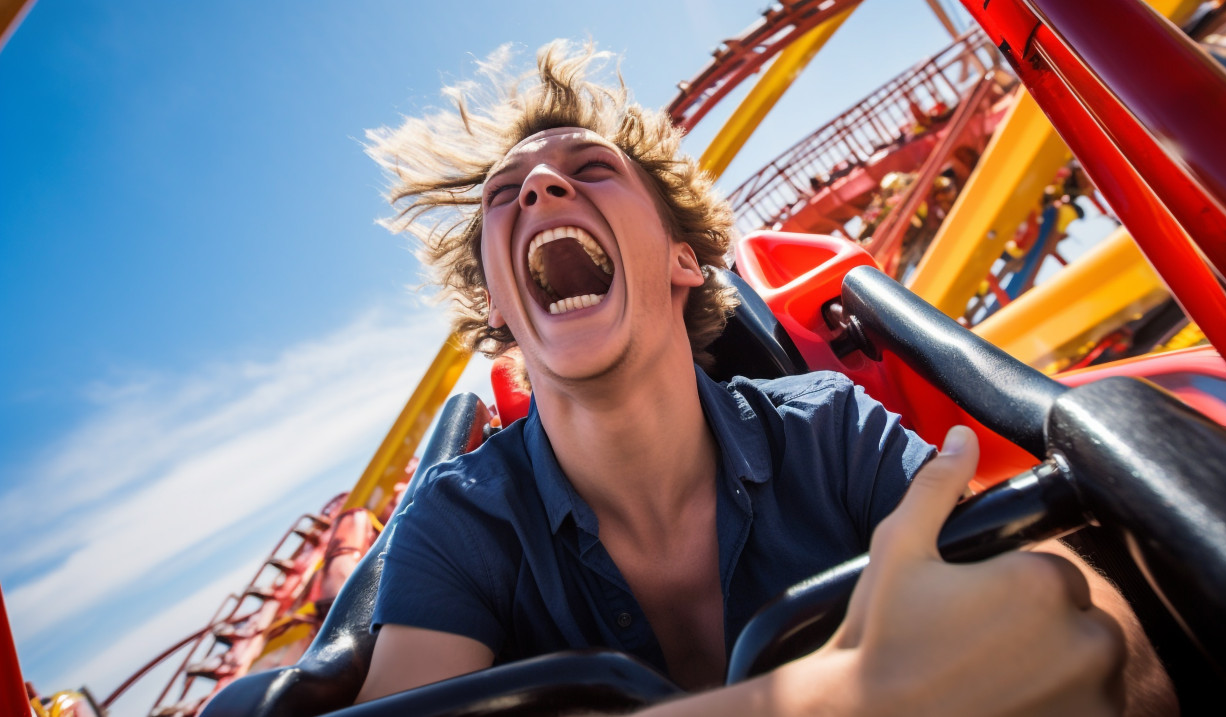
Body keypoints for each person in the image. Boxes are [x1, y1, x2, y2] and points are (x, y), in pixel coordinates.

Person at [355, 41, 1175, 714]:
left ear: (685, 259)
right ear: (499, 306)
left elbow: (1095, 635)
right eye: (506, 193)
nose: (540, 186)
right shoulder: (460, 517)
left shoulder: (829, 428)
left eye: (592, 168)